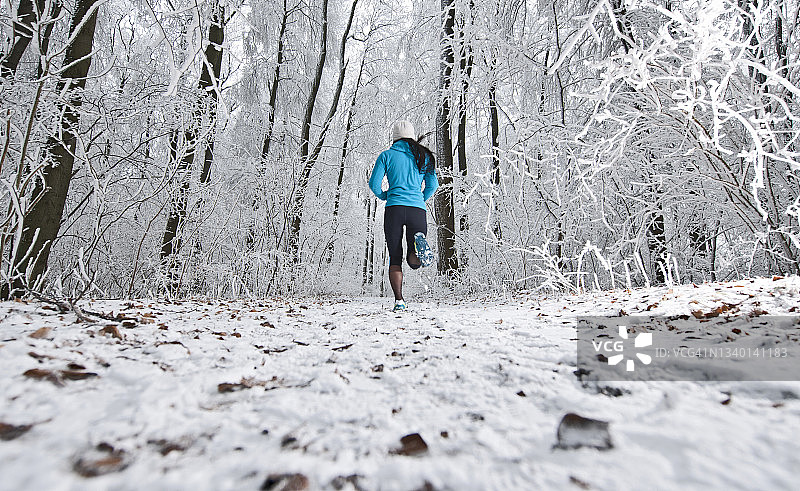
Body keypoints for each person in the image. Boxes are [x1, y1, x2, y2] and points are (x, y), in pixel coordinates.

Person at [369, 120, 439, 312]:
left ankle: (399, 301)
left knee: (395, 257)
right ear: (412, 136)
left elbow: (374, 184)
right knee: (413, 261)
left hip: (394, 209)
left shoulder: (386, 156)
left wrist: (386, 195)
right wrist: (419, 199)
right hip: (417, 209)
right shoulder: (423, 156)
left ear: (394, 138)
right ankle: (417, 251)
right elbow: (433, 185)